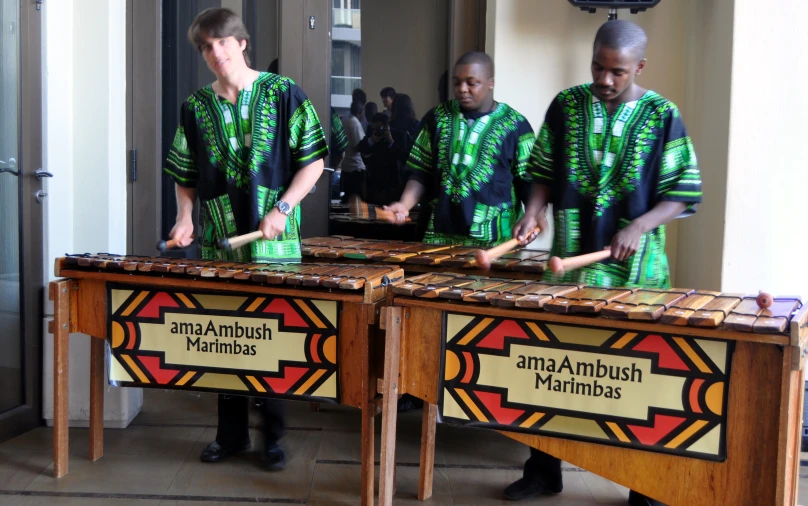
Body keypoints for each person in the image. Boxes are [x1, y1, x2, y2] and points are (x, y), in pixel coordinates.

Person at [503, 20, 702, 506]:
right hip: (571, 257)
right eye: (598, 66)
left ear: (639, 66)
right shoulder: (566, 105)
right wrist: (533, 211)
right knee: (553, 364)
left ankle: (643, 485)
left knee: (638, 373)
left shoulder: (662, 114)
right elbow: (543, 172)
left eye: (616, 71)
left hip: (636, 269)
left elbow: (683, 189)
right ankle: (543, 470)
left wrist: (641, 224)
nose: (605, 79)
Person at [163, 7, 327, 470]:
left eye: (221, 43)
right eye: (205, 47)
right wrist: (185, 217)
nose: (214, 53)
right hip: (220, 240)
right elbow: (187, 173)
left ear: (241, 42)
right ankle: (230, 436)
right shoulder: (196, 107)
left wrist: (284, 207)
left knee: (271, 337)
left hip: (274, 241)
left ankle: (273, 437)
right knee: (225, 336)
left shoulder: (283, 93)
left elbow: (313, 161)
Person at [384, 51, 543, 248]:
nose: (462, 89)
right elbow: (420, 172)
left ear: (490, 83)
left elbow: (531, 184)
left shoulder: (516, 125)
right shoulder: (437, 118)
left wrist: (532, 217)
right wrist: (404, 204)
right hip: (438, 241)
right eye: (457, 82)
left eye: (471, 82)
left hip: (496, 245)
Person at [357, 113, 403, 205]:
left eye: (381, 127)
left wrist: (391, 141)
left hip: (393, 181)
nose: (379, 130)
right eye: (376, 128)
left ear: (387, 126)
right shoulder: (372, 134)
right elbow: (360, 147)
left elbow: (402, 155)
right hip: (374, 182)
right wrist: (372, 140)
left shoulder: (398, 135)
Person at [340, 100, 367, 202]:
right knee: (358, 201)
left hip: (346, 166)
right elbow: (358, 146)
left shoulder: (345, 120)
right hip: (355, 168)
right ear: (361, 112)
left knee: (348, 200)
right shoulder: (354, 123)